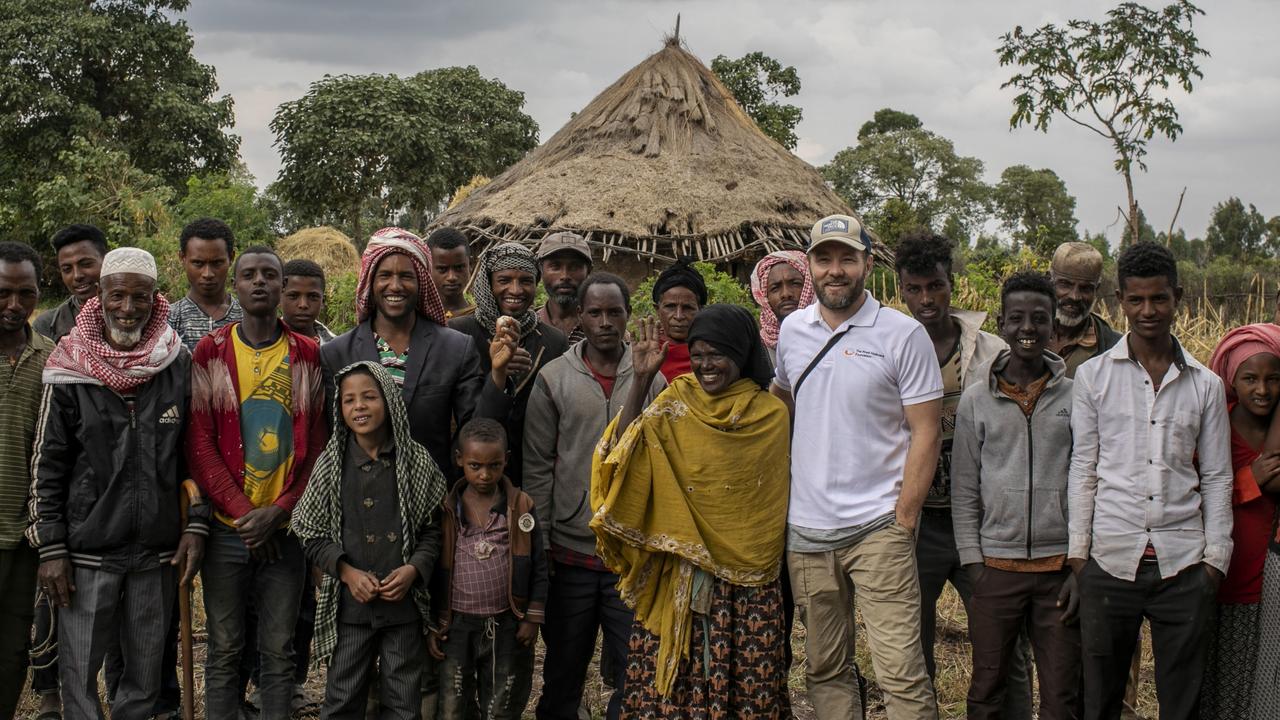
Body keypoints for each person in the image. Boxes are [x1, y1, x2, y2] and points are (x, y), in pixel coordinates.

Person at [773, 214, 941, 719]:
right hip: (807, 531)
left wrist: (904, 519)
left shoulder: (902, 334)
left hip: (878, 527)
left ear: (868, 263)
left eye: (847, 257)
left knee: (901, 673)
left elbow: (926, 430)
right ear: (810, 267)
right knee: (825, 668)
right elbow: (779, 403)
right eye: (824, 258)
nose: (836, 270)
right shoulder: (792, 331)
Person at [28, 247, 205, 720]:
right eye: (118, 296)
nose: (128, 308)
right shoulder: (69, 368)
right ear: (100, 296)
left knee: (144, 680)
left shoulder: (176, 362)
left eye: (139, 298)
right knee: (80, 680)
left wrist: (195, 527)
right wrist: (52, 548)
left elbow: (194, 455)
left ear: (155, 299)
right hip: (87, 551)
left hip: (156, 552)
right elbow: (48, 465)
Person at [593, 305, 791, 717]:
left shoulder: (771, 416)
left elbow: (768, 503)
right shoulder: (675, 402)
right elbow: (620, 457)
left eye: (716, 354)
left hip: (747, 589)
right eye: (697, 355)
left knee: (746, 690)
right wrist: (643, 378)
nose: (705, 365)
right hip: (678, 575)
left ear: (740, 352)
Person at [1068, 241, 1232, 720]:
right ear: (1120, 300)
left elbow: (1218, 475)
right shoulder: (1095, 377)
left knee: (1181, 701)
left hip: (1183, 565)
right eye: (1136, 300)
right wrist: (1080, 554)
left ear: (1177, 297)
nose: (1148, 311)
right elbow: (1084, 467)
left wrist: (1215, 561)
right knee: (1100, 698)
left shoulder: (1205, 384)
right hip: (1109, 560)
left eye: (1159, 298)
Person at [892, 231, 1031, 715]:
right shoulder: (891, 350)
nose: (926, 299)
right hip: (916, 522)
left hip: (983, 523)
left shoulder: (992, 353)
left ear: (953, 285)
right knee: (912, 645)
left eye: (936, 286)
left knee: (1001, 639)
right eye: (915, 288)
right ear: (901, 289)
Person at [187, 246, 327, 720]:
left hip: (285, 532)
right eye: (249, 275)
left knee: (278, 648)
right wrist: (249, 517)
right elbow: (201, 443)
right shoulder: (213, 351)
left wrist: (281, 511)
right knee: (225, 645)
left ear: (282, 286)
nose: (260, 283)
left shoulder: (307, 354)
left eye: (271, 275)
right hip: (231, 528)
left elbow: (316, 448)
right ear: (237, 286)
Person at [524, 273, 665, 720]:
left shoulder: (654, 378)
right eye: (596, 312)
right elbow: (538, 467)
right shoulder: (553, 378)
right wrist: (539, 544)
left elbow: (657, 458)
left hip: (631, 554)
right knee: (564, 670)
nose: (605, 321)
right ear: (580, 317)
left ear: (628, 316)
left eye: (615, 312)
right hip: (570, 553)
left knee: (635, 671)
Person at [951, 272, 1081, 720]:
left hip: (1058, 572)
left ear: (1052, 326)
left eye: (1039, 319)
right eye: (1018, 318)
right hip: (995, 570)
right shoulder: (976, 400)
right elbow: (965, 487)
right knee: (987, 688)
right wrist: (973, 563)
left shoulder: (1076, 397)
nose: (1029, 328)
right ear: (1002, 324)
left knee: (1062, 694)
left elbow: (1086, 480)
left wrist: (1079, 563)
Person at [293, 361, 446, 720]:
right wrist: (346, 573)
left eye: (369, 397)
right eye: (349, 400)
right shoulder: (331, 464)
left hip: (403, 609)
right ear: (339, 408)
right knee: (343, 699)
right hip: (351, 609)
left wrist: (413, 570)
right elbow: (309, 531)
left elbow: (432, 530)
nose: (359, 406)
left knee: (403, 702)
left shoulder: (416, 461)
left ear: (389, 399)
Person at [323, 227, 506, 479]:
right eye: (385, 275)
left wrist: (497, 374)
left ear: (421, 281)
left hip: (433, 498)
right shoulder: (337, 353)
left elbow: (473, 429)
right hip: (361, 500)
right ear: (370, 281)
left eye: (406, 276)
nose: (395, 286)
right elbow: (334, 438)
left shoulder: (455, 348)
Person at [429, 418, 548, 720]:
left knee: (502, 704)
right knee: (453, 704)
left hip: (505, 623)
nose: (485, 474)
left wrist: (532, 617)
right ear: (459, 460)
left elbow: (538, 565)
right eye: (475, 466)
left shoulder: (521, 506)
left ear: (506, 460)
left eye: (494, 465)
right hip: (456, 626)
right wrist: (433, 623)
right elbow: (432, 569)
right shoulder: (445, 508)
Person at [1201, 325, 1280, 719]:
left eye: (1273, 379)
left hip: (1270, 584)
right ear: (1232, 380)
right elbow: (1195, 494)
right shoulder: (1215, 424)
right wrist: (1251, 479)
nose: (1262, 390)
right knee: (1220, 687)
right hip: (1227, 582)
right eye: (1250, 379)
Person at [450, 242, 568, 487]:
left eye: (525, 281)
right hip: (471, 477)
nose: (515, 289)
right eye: (504, 280)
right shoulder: (459, 334)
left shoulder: (553, 341)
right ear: (488, 283)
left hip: (530, 474)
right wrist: (498, 374)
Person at [0, 243, 54, 720]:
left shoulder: (50, 359)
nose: (14, 305)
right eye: (3, 293)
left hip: (22, 535)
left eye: (25, 293)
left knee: (15, 643)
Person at [1048, 242, 1121, 378]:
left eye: (1085, 288)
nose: (1075, 297)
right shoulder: (1025, 334)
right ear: (1049, 280)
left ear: (1096, 289)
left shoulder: (1114, 348)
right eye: (1065, 285)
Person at [169, 217, 242, 351]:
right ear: (182, 258)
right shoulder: (168, 320)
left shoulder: (246, 318)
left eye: (217, 263)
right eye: (198, 263)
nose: (207, 274)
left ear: (231, 258)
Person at [34, 224, 107, 343]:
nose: (77, 275)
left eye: (86, 264)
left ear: (107, 260)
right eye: (67, 269)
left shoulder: (136, 314)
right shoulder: (47, 326)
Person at [750, 249, 814, 368]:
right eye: (775, 288)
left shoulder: (827, 335)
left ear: (809, 287)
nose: (786, 294)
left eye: (795, 283)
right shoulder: (757, 348)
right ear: (764, 297)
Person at [650, 257, 705, 382]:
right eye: (670, 307)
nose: (679, 316)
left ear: (701, 310)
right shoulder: (643, 352)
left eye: (687, 307)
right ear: (657, 309)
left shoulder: (713, 354)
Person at [534, 232, 592, 344]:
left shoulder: (601, 328)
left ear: (588, 271)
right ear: (541, 270)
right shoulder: (526, 328)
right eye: (555, 267)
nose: (565, 276)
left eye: (575, 267)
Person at [426, 228, 475, 321]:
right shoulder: (416, 318)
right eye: (442, 269)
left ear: (470, 265)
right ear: (428, 268)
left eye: (459, 268)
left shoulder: (482, 319)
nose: (451, 277)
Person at [283, 259, 336, 343]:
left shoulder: (337, 348)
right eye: (293, 296)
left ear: (322, 301)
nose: (303, 305)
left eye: (313, 297)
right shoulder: (260, 343)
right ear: (278, 298)